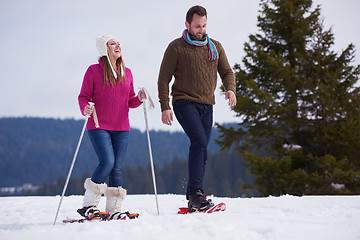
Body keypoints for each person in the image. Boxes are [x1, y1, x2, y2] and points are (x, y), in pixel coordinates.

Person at [157, 5, 237, 212]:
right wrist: (165, 106)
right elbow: (163, 79)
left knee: (202, 150)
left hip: (207, 104)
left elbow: (227, 72)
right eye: (197, 26)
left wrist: (230, 89)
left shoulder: (215, 46)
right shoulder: (176, 47)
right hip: (184, 101)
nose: (201, 30)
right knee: (199, 142)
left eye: (203, 26)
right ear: (187, 25)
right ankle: (194, 194)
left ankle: (196, 195)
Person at [77, 35, 146, 220]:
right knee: (107, 162)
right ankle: (89, 206)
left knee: (116, 167)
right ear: (104, 48)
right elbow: (83, 96)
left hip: (122, 127)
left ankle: (114, 209)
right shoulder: (93, 71)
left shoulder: (127, 72)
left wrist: (139, 98)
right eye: (112, 43)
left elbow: (129, 101)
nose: (118, 45)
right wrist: (86, 108)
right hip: (98, 124)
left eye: (118, 43)